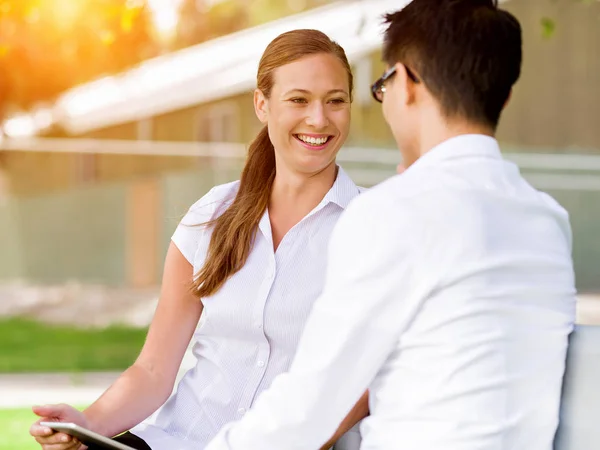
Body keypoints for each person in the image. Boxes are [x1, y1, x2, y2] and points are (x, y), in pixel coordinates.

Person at [204, 1, 577, 449]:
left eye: (383, 85)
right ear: (505, 96)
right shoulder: (548, 222)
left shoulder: (392, 213)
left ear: (406, 83)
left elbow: (306, 411)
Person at [29, 29, 368, 450]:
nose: (319, 119)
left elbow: (363, 383)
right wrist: (87, 424)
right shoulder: (212, 214)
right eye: (298, 99)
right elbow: (154, 369)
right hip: (175, 440)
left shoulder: (371, 228)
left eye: (335, 100)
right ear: (262, 105)